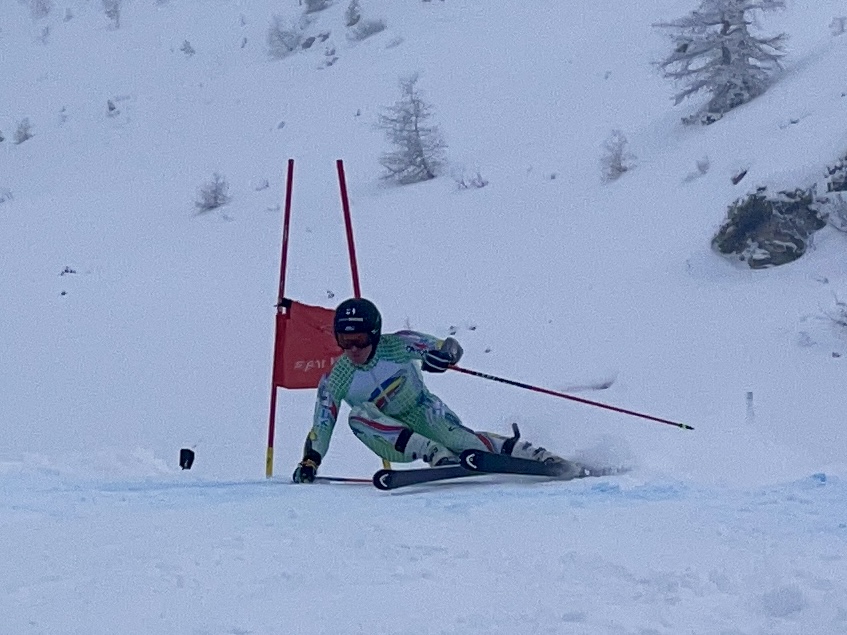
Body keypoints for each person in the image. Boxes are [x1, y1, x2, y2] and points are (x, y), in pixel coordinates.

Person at [292, 298, 567, 483]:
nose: (353, 349)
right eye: (345, 341)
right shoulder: (337, 377)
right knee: (358, 415)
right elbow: (322, 425)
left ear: (374, 334)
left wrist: (445, 356)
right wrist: (310, 461)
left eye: (360, 340)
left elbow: (447, 346)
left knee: (464, 442)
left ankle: (539, 457)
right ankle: (436, 455)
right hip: (390, 437)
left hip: (423, 412)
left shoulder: (398, 345)